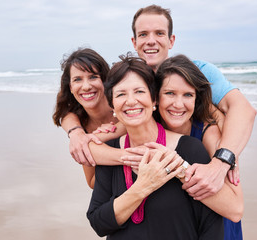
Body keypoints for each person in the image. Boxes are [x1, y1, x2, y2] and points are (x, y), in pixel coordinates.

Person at [64, 4, 256, 201]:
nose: (151, 41)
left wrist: (223, 160)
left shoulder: (195, 72)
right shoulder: (129, 80)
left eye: (159, 33)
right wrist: (76, 132)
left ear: (171, 40)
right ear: (134, 41)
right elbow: (70, 111)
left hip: (206, 173)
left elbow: (243, 109)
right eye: (144, 34)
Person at [87, 55, 243, 240]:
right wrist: (143, 187)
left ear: (153, 100)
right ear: (112, 105)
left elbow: (212, 226)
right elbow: (98, 223)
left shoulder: (192, 148)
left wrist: (181, 167)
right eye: (121, 94)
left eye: (139, 91)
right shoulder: (109, 151)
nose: (130, 101)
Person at [53, 48, 123, 188]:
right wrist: (77, 133)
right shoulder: (81, 124)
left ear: (105, 80)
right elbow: (92, 182)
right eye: (77, 79)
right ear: (71, 87)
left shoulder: (123, 106)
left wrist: (101, 138)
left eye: (93, 77)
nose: (86, 86)